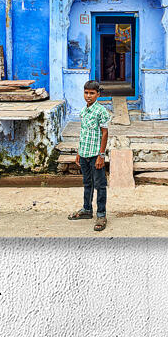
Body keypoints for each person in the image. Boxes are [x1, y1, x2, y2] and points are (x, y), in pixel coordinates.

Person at [67, 80, 111, 231]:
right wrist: (79, 151)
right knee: (87, 183)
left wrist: (101, 155)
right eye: (86, 93)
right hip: (84, 152)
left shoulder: (101, 112)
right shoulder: (84, 111)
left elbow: (104, 134)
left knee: (100, 185)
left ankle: (101, 214)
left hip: (95, 154)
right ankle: (86, 209)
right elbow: (83, 132)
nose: (88, 96)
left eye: (92, 93)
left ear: (98, 94)